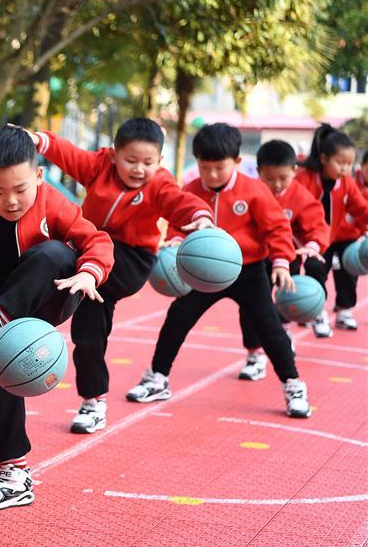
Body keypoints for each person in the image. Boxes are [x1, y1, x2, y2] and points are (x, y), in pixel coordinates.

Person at [0, 125, 114, 509]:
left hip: (53, 297)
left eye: (21, 189)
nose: (11, 201)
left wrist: (89, 273)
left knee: (53, 252)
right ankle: (13, 473)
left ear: (38, 175)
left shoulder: (53, 203)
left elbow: (97, 241)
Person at [28, 119, 213, 433]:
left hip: (130, 260)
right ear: (114, 155)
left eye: (148, 163)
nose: (139, 169)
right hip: (89, 255)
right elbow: (70, 154)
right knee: (87, 334)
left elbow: (180, 202)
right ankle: (93, 401)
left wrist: (201, 219)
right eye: (131, 161)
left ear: (160, 162)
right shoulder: (99, 167)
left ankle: (42, 305)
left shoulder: (159, 184)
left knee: (61, 258)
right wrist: (37, 140)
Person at [129, 123, 311, 418]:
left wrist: (280, 261)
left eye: (219, 167)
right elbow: (177, 223)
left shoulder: (254, 191)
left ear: (238, 162)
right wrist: (173, 243)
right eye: (205, 167)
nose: (212, 174)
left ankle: (293, 384)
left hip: (248, 271)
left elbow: (277, 228)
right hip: (202, 273)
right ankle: (157, 378)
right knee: (177, 318)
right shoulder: (189, 192)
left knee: (269, 328)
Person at [236, 140, 329, 380]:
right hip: (255, 260)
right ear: (258, 173)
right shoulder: (250, 192)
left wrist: (312, 245)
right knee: (250, 308)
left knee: (289, 300)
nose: (276, 184)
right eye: (269, 178)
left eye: (283, 178)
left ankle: (284, 333)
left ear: (294, 172)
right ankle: (255, 354)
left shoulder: (301, 196)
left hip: (289, 257)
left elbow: (317, 224)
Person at [295, 124, 368, 336]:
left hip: (333, 236)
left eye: (349, 164)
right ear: (324, 158)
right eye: (340, 163)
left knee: (344, 273)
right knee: (315, 270)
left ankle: (342, 311)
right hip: (306, 239)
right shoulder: (304, 179)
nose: (345, 169)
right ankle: (315, 312)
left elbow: (361, 209)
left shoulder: (345, 182)